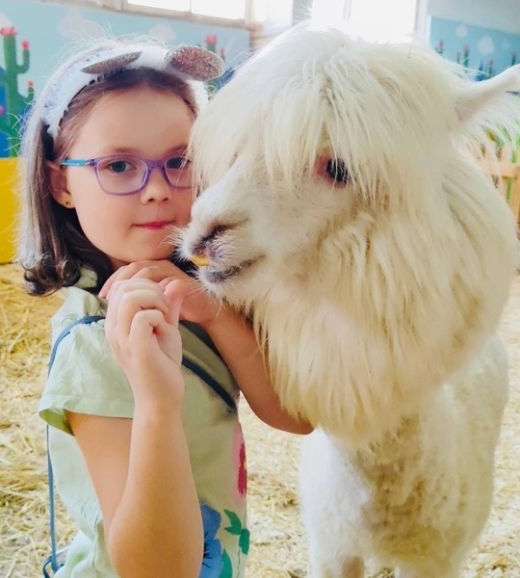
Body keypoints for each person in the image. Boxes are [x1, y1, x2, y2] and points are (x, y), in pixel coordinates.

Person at [19, 39, 312, 578]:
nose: (157, 189)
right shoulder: (96, 343)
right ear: (61, 183)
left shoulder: (207, 293)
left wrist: (216, 315)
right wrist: (156, 400)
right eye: (119, 165)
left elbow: (295, 416)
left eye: (180, 160)